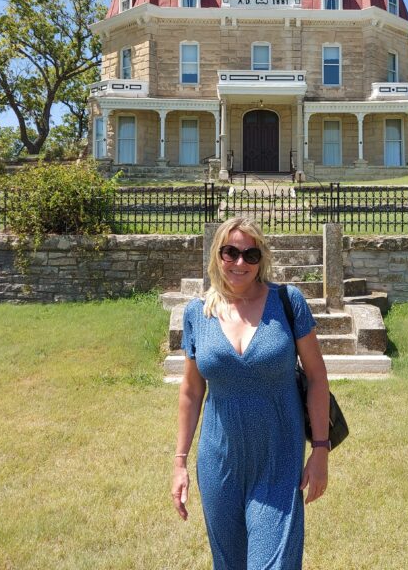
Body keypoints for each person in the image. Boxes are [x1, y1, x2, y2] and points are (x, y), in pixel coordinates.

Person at [172, 216, 331, 569]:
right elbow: (191, 391)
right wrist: (179, 462)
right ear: (217, 255)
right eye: (230, 252)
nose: (240, 263)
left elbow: (318, 378)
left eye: (250, 254)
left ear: (262, 259)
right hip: (220, 464)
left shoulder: (288, 303)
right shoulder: (198, 313)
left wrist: (321, 449)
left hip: (278, 461)